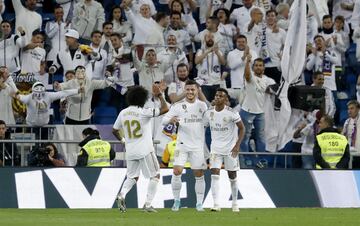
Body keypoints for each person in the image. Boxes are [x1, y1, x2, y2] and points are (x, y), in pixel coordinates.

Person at [112, 85, 169, 213]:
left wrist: (123, 141)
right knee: (155, 175)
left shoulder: (123, 112)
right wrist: (160, 95)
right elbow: (165, 108)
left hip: (130, 150)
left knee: (132, 177)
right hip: (145, 149)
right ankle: (147, 205)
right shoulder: (144, 112)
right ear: (142, 99)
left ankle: (122, 194)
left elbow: (114, 130)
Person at [162, 80, 208, 212]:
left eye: (192, 90)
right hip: (181, 145)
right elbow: (164, 120)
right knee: (177, 171)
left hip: (197, 146)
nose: (190, 92)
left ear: (197, 90)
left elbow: (207, 122)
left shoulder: (202, 106)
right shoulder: (177, 106)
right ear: (185, 91)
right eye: (187, 90)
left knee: (198, 174)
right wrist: (171, 119)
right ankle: (176, 201)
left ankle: (199, 204)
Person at [203, 88, 245, 212]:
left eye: (220, 96)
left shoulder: (232, 113)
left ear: (225, 99)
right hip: (215, 149)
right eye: (216, 95)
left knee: (232, 175)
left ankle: (235, 203)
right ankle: (216, 204)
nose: (217, 98)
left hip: (230, 149)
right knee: (214, 174)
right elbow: (203, 127)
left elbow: (242, 129)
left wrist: (237, 145)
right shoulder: (209, 112)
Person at [240, 56, 275, 167]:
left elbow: (275, 89)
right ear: (253, 67)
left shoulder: (268, 80)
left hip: (260, 112)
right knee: (245, 137)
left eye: (260, 65)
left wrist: (271, 90)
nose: (258, 67)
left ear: (264, 68)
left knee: (261, 137)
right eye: (256, 65)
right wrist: (247, 63)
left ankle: (262, 160)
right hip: (247, 111)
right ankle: (247, 159)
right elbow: (246, 74)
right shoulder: (250, 77)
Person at [12, 81, 81, 127]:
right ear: (33, 91)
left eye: (41, 92)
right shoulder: (29, 97)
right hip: (31, 125)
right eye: (37, 92)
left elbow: (63, 93)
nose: (39, 95)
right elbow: (21, 97)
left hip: (44, 125)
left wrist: (77, 90)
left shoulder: (48, 95)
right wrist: (17, 96)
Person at [194, 32, 226, 102]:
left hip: (216, 82)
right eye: (208, 37)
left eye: (212, 37)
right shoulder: (200, 51)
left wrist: (217, 53)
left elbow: (223, 63)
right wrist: (208, 51)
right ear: (204, 39)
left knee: (216, 104)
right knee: (204, 105)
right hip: (204, 83)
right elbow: (196, 61)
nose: (210, 39)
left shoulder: (219, 52)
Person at [342, 100, 360, 167]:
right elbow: (343, 136)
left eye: (352, 108)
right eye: (348, 109)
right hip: (350, 153)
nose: (349, 111)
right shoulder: (347, 122)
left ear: (358, 109)